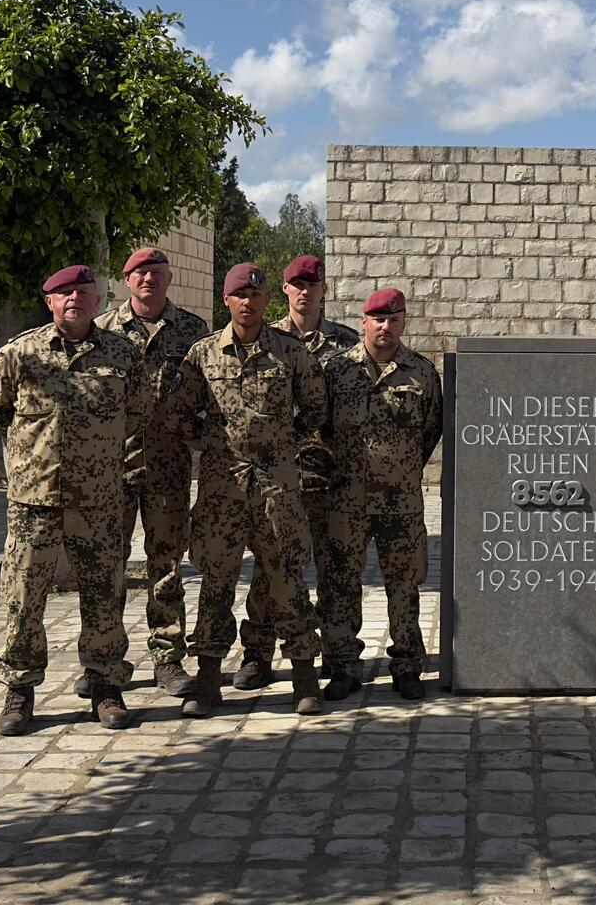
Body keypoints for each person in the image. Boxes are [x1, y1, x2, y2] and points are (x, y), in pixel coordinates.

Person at [0, 265, 150, 736]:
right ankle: (20, 689)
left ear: (97, 299)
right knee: (22, 597)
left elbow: (136, 413)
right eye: (64, 292)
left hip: (98, 499)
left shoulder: (122, 355)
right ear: (49, 299)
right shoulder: (19, 354)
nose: (74, 298)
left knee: (103, 593)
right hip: (34, 500)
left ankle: (105, 684)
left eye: (83, 291)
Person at [173, 263, 330, 716]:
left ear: (268, 301)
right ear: (227, 300)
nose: (249, 302)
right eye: (240, 295)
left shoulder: (290, 351)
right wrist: (212, 445)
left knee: (287, 580)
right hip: (222, 490)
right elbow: (180, 413)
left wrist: (283, 444)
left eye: (257, 296)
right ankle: (207, 681)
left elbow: (315, 407)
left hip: (276, 491)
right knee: (216, 583)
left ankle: (304, 677)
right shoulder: (202, 354)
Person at [232, 254, 361, 688]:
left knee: (336, 569)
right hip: (275, 479)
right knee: (272, 568)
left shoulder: (347, 344)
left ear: (325, 290)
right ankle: (258, 653)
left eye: (313, 284)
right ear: (283, 291)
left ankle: (340, 657)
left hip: (333, 478)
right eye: (296, 284)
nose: (305, 291)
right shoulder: (264, 342)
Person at [92, 247, 209, 701]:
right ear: (125, 280)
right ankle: (105, 661)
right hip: (112, 467)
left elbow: (205, 394)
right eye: (139, 273)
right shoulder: (102, 330)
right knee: (108, 566)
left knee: (165, 567)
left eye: (156, 273)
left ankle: (167, 658)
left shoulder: (192, 331)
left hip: (169, 467)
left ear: (169, 279)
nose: (148, 280)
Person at [316, 288, 443, 701]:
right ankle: (344, 666)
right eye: (377, 320)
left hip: (401, 501)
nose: (385, 327)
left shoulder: (421, 373)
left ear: (403, 322)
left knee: (404, 585)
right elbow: (321, 429)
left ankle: (406, 666)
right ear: (364, 322)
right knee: (340, 583)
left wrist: (400, 469)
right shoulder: (336, 371)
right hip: (347, 499)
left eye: (394, 319)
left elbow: (430, 430)